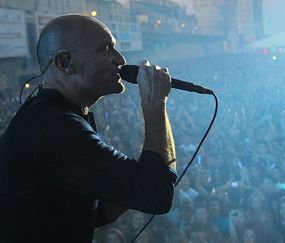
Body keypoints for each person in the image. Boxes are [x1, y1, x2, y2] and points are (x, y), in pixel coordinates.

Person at [0, 14, 177, 242]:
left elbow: (85, 212)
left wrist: (127, 181)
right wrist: (154, 104)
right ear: (65, 63)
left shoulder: (48, 116)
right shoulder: (55, 127)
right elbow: (157, 195)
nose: (120, 59)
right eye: (105, 49)